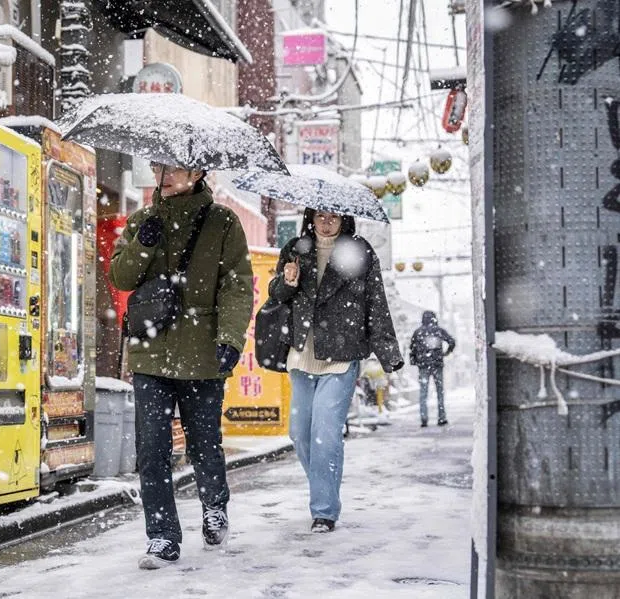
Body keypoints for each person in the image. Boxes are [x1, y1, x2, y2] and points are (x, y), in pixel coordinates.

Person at [109, 162, 253, 569]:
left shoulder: (224, 223)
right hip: (151, 350)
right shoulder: (143, 219)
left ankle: (214, 506)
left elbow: (237, 285)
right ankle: (163, 536)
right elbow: (120, 277)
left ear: (199, 171)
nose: (165, 174)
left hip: (203, 352)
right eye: (159, 167)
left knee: (204, 443)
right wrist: (143, 244)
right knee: (152, 449)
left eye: (175, 168)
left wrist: (229, 338)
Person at [268, 208, 403, 534]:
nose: (326, 221)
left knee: (325, 435)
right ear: (310, 217)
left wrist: (388, 354)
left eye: (334, 216)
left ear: (345, 220)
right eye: (320, 215)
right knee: (299, 433)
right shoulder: (294, 249)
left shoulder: (360, 251)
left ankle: (324, 511)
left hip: (341, 356)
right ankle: (323, 488)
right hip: (301, 354)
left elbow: (375, 301)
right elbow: (277, 294)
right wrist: (287, 282)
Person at [409, 310, 456, 427]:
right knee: (439, 391)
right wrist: (446, 353)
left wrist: (416, 360)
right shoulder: (439, 331)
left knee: (423, 392)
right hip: (437, 364)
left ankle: (424, 418)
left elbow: (412, 348)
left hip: (423, 366)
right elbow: (451, 341)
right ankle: (441, 417)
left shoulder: (418, 332)